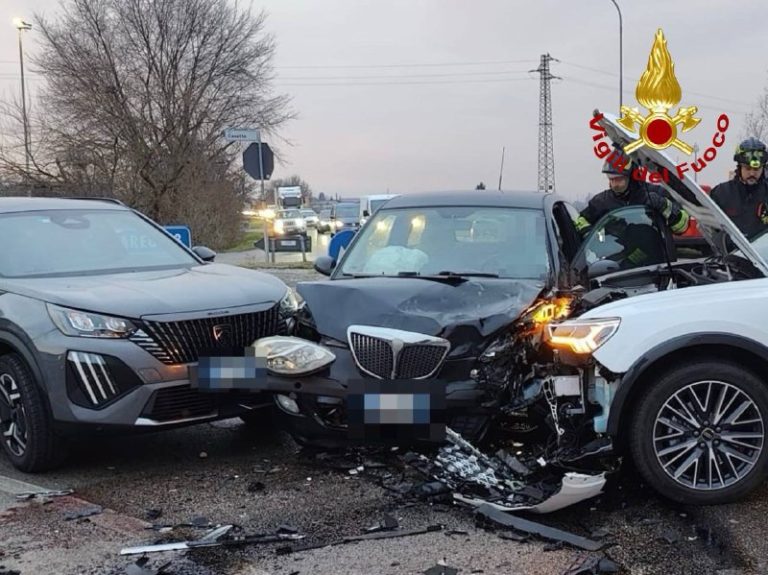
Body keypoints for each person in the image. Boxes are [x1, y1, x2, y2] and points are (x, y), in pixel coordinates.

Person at [574, 150, 690, 237]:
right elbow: (580, 222)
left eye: (619, 179)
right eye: (611, 179)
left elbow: (682, 227)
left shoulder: (656, 193)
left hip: (656, 262)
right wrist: (599, 238)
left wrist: (664, 205)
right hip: (617, 264)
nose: (614, 185)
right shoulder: (601, 201)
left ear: (632, 176)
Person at [710, 137, 768, 240]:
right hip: (731, 254)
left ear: (763, 168)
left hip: (762, 255)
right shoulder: (721, 193)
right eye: (747, 168)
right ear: (739, 167)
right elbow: (710, 227)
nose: (752, 173)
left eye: (756, 169)